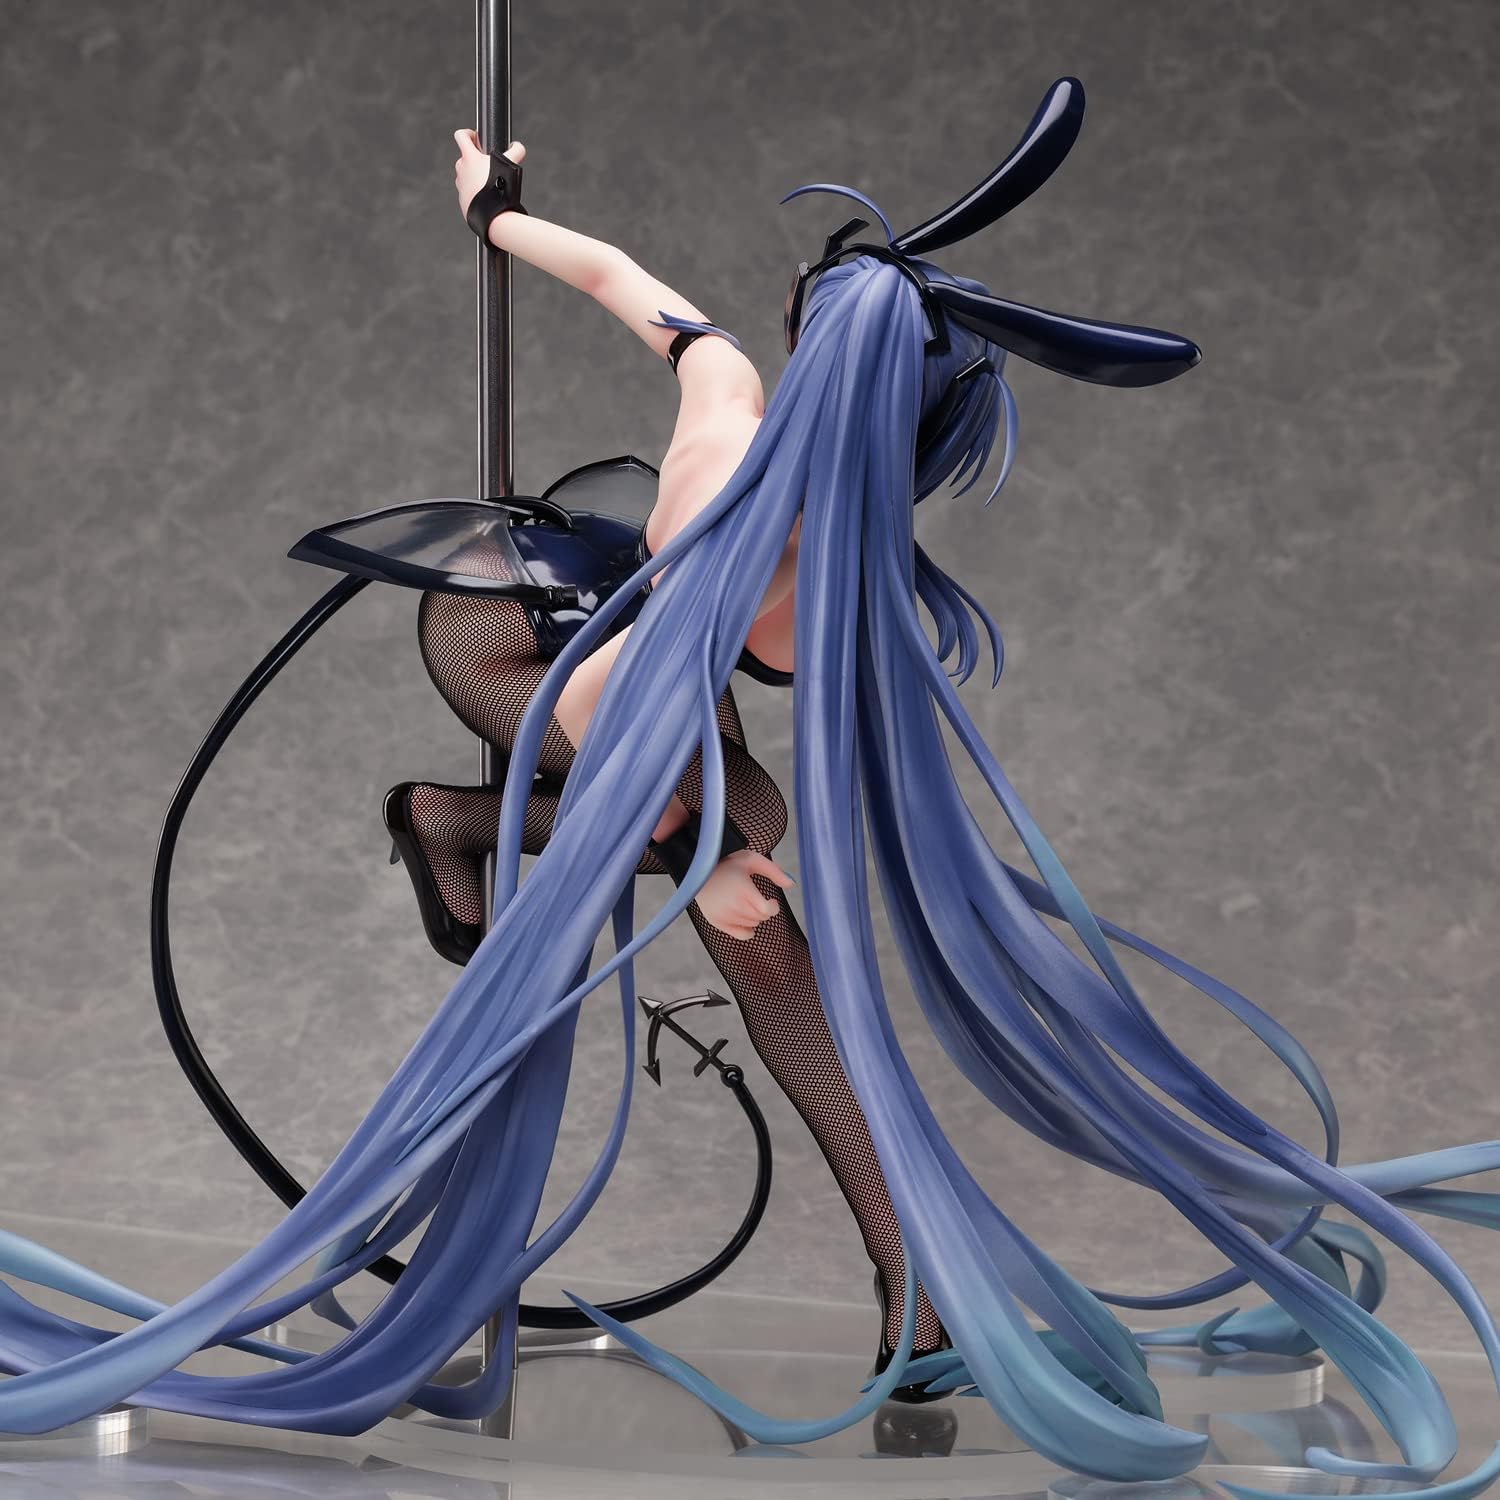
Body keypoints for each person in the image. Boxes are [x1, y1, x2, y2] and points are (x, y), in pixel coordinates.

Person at [2, 79, 1498, 1500]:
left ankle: (901, 1274)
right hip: (508, 647)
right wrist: (705, 851)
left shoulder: (788, 476)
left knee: (766, 899)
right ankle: (479, 835)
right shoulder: (735, 483)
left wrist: (498, 214)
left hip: (633, 676)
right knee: (740, 865)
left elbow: (627, 283)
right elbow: (631, 706)